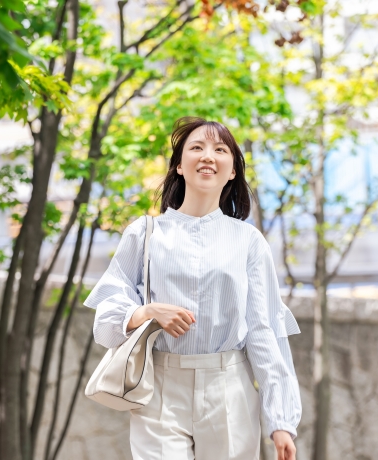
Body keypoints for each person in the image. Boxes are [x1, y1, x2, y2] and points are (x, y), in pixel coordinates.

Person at [84, 117, 302, 460]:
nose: (208, 156)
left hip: (229, 388)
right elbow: (106, 320)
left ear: (232, 170)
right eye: (196, 148)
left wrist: (281, 420)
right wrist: (146, 312)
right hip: (158, 387)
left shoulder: (248, 241)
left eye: (220, 149)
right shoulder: (144, 234)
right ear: (179, 166)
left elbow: (265, 332)